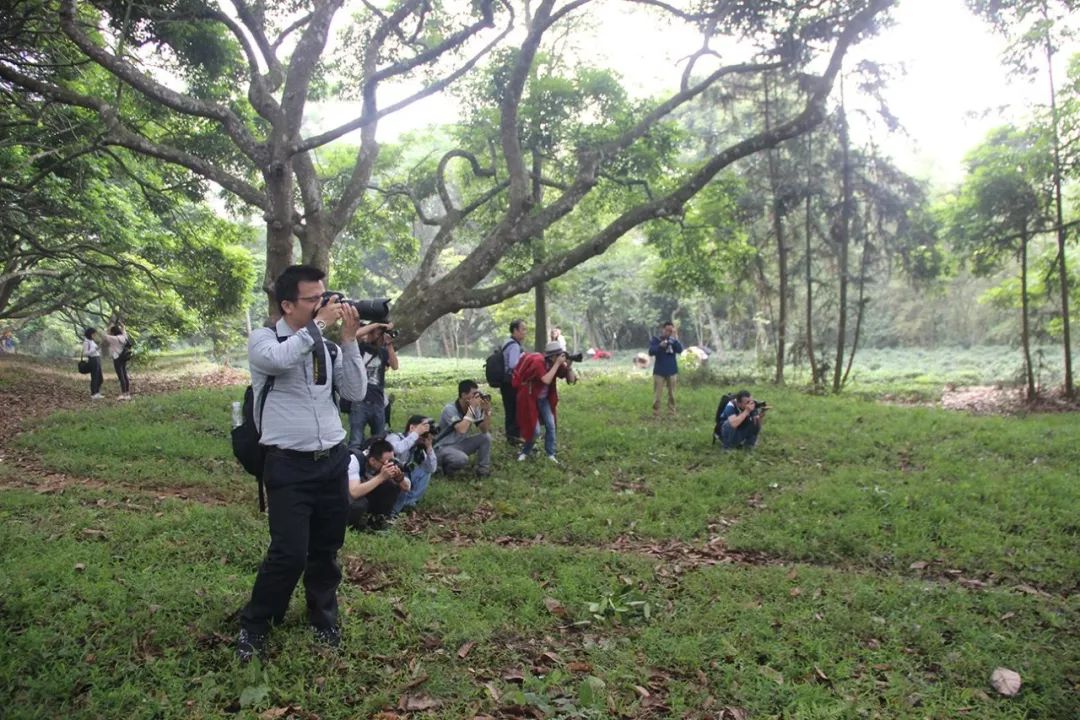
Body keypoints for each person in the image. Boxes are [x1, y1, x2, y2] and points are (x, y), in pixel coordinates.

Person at [236, 264, 368, 663]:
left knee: (326, 549)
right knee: (289, 552)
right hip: (288, 466)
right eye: (314, 299)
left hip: (331, 459)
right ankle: (256, 625)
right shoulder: (263, 340)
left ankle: (323, 619)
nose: (324, 304)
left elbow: (355, 391)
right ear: (287, 304)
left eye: (324, 296)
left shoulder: (325, 347)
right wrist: (318, 326)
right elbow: (279, 361)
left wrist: (347, 341)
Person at [513, 341, 577, 464]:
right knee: (535, 430)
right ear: (552, 357)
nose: (561, 358)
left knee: (551, 425)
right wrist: (558, 364)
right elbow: (546, 380)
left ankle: (550, 454)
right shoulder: (539, 362)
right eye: (559, 355)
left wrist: (568, 367)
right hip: (529, 398)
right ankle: (525, 451)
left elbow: (571, 381)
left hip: (544, 400)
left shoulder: (557, 364)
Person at [348, 323, 398, 448]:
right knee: (356, 441)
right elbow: (355, 334)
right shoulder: (360, 348)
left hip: (378, 402)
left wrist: (389, 343)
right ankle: (355, 463)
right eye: (379, 333)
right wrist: (377, 324)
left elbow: (395, 366)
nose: (381, 336)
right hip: (360, 401)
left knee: (380, 441)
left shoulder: (382, 352)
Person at [346, 439, 411, 532]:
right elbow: (354, 492)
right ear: (373, 461)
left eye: (392, 459)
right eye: (387, 461)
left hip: (367, 494)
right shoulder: (354, 461)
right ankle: (353, 528)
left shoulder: (387, 463)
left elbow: (407, 487)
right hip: (346, 496)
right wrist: (381, 477)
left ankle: (378, 523)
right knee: (360, 504)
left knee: (391, 486)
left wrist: (399, 478)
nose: (390, 464)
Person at [435, 380, 493, 477]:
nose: (477, 398)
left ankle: (483, 468)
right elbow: (461, 430)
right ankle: (444, 467)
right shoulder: (449, 409)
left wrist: (487, 412)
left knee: (486, 437)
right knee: (462, 459)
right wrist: (472, 409)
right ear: (463, 395)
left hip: (460, 445)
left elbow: (484, 429)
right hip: (443, 447)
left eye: (478, 395)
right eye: (474, 394)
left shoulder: (473, 408)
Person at [387, 415, 437, 514]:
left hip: (405, 474)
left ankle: (408, 503)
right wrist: (416, 434)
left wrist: (429, 448)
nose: (424, 433)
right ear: (412, 428)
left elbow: (432, 468)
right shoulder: (395, 437)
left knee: (425, 471)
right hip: (389, 473)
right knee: (401, 476)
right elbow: (397, 449)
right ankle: (392, 512)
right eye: (423, 427)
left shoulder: (418, 447)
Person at [499, 319, 527, 444]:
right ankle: (514, 438)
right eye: (523, 329)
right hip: (511, 382)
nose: (525, 332)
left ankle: (511, 436)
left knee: (509, 409)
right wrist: (523, 359)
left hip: (505, 382)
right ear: (515, 330)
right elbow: (513, 364)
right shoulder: (515, 346)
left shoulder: (507, 342)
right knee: (514, 409)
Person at [648, 321, 683, 417]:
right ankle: (656, 413)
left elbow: (680, 350)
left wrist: (675, 338)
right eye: (667, 330)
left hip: (672, 371)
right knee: (657, 395)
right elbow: (651, 351)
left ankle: (671, 412)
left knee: (672, 394)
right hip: (659, 371)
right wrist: (660, 346)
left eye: (670, 330)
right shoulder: (656, 340)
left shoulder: (674, 341)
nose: (668, 332)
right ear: (662, 330)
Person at [101, 323, 132, 400]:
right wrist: (123, 327)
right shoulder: (124, 337)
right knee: (125, 375)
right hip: (124, 357)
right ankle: (127, 394)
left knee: (121, 376)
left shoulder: (114, 339)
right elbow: (124, 332)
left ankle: (123, 394)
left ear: (113, 332)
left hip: (117, 358)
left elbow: (104, 336)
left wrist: (108, 329)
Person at [81, 327, 105, 399]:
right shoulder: (86, 342)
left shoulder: (91, 341)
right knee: (95, 377)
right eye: (94, 334)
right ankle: (94, 393)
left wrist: (99, 348)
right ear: (90, 334)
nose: (95, 335)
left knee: (100, 378)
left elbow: (96, 350)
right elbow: (86, 353)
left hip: (97, 358)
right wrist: (95, 349)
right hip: (92, 360)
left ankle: (97, 392)